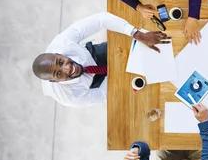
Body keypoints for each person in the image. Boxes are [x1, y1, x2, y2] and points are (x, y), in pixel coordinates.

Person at [32, 12, 169, 108]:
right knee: (142, 85)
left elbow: (100, 19)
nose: (67, 68)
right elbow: (101, 94)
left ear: (58, 53)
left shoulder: (63, 42)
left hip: (92, 56)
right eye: (58, 74)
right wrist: (119, 74)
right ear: (54, 81)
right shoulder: (69, 97)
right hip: (95, 83)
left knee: (139, 49)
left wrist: (138, 34)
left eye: (60, 62)